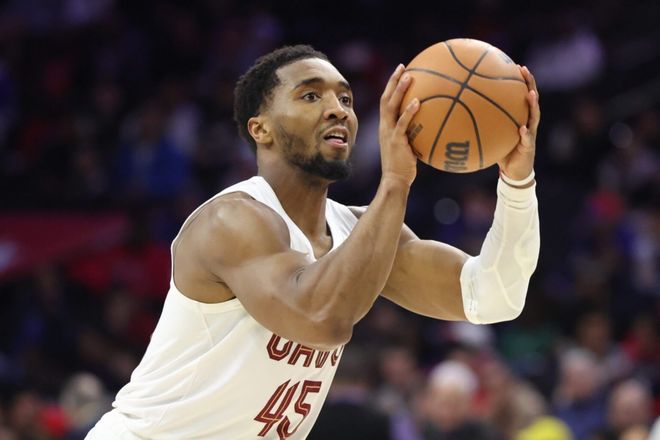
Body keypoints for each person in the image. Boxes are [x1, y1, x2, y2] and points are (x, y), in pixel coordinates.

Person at [86, 44, 541, 439]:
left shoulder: (362, 231)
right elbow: (321, 318)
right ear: (260, 128)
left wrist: (517, 184)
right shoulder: (232, 220)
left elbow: (494, 296)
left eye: (345, 98)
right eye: (310, 95)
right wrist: (395, 183)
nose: (338, 109)